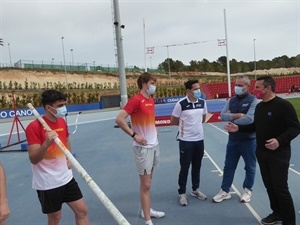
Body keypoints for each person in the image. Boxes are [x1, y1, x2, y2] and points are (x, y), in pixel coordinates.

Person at [225, 75, 300, 225]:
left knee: (280, 189)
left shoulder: (283, 105)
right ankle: (277, 213)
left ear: (268, 88)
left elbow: (295, 127)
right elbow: (255, 127)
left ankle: (289, 221)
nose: (254, 90)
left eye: (258, 87)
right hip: (262, 152)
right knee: (269, 186)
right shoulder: (259, 106)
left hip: (279, 154)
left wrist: (279, 140)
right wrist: (238, 128)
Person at [25, 89, 90, 225]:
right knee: (55, 218)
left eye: (63, 104)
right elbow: (33, 159)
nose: (63, 108)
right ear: (49, 108)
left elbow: (67, 141)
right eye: (60, 105)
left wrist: (69, 157)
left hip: (66, 178)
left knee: (82, 211)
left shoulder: (61, 122)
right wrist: (46, 144)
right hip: (48, 183)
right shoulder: (34, 127)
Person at [115, 72, 165, 225]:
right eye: (152, 83)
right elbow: (119, 119)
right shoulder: (136, 100)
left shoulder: (150, 100)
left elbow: (150, 119)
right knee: (146, 184)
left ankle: (146, 210)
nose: (154, 86)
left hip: (154, 145)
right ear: (144, 84)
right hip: (142, 148)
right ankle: (147, 220)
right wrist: (134, 135)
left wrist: (154, 129)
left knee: (149, 180)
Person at [212, 75, 260, 203]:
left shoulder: (254, 100)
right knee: (229, 166)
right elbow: (222, 116)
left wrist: (231, 117)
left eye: (240, 85)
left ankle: (247, 190)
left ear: (247, 86)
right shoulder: (231, 100)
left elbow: (249, 119)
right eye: (236, 85)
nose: (237, 87)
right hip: (233, 139)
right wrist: (239, 115)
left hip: (249, 140)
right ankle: (225, 191)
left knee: (250, 167)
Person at [170, 79, 207, 206]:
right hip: (186, 141)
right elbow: (173, 121)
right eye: (195, 89)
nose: (198, 91)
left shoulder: (202, 102)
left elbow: (202, 118)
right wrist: (184, 130)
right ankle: (182, 193)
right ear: (188, 91)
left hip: (199, 140)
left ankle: (195, 189)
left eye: (199, 88)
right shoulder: (181, 104)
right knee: (184, 168)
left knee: (197, 166)